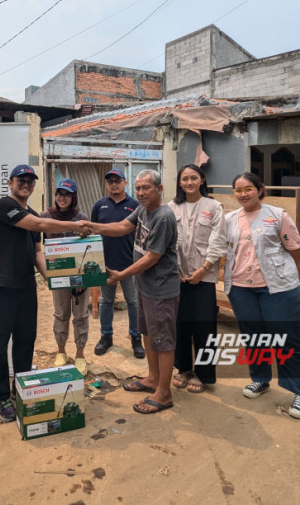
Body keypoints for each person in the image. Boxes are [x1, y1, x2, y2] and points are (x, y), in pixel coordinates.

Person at [0, 165, 90, 422]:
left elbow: (37, 254)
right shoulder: (4, 206)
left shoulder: (30, 213)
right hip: (1, 287)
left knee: (25, 342)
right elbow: (41, 223)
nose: (26, 184)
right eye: (21, 180)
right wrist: (76, 225)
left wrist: (56, 280)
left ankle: (18, 390)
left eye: (31, 181)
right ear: (10, 182)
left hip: (25, 288)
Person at [89, 170, 180, 414]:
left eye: (146, 188)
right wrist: (92, 226)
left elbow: (153, 256)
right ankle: (153, 378)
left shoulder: (163, 216)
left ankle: (164, 392)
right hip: (146, 286)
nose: (141, 192)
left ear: (159, 189)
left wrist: (122, 275)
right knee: (149, 334)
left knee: (163, 340)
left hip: (161, 289)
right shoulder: (143, 209)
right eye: (138, 188)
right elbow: (121, 227)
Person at [224, 172, 300, 419]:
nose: (243, 194)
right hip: (241, 288)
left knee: (286, 339)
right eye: (238, 190)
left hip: (278, 289)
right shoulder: (229, 219)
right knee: (253, 337)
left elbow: (295, 248)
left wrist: (283, 274)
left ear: (260, 189)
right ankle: (260, 379)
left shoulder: (277, 215)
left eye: (248, 188)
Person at [168, 164, 227, 393]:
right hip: (178, 277)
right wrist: (175, 270)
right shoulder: (171, 207)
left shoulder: (213, 207)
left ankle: (203, 374)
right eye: (185, 179)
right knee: (180, 325)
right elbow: (167, 241)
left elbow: (219, 239)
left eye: (194, 178)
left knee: (205, 326)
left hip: (204, 277)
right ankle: (183, 368)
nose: (189, 183)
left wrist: (204, 269)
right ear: (180, 182)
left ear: (202, 180)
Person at [90, 168, 144, 359]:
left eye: (117, 180)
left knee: (133, 302)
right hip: (105, 264)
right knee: (106, 301)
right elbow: (94, 233)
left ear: (125, 183)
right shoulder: (99, 206)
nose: (114, 184)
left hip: (130, 264)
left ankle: (136, 338)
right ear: (107, 185)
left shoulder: (136, 205)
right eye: (110, 181)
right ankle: (106, 336)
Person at [40, 178, 91, 376]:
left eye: (67, 194)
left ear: (73, 197)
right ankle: (61, 352)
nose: (62, 198)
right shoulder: (46, 216)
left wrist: (85, 279)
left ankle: (79, 355)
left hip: (80, 278)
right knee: (61, 314)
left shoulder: (80, 217)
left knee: (81, 316)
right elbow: (37, 243)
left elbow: (88, 248)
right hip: (58, 276)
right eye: (60, 194)